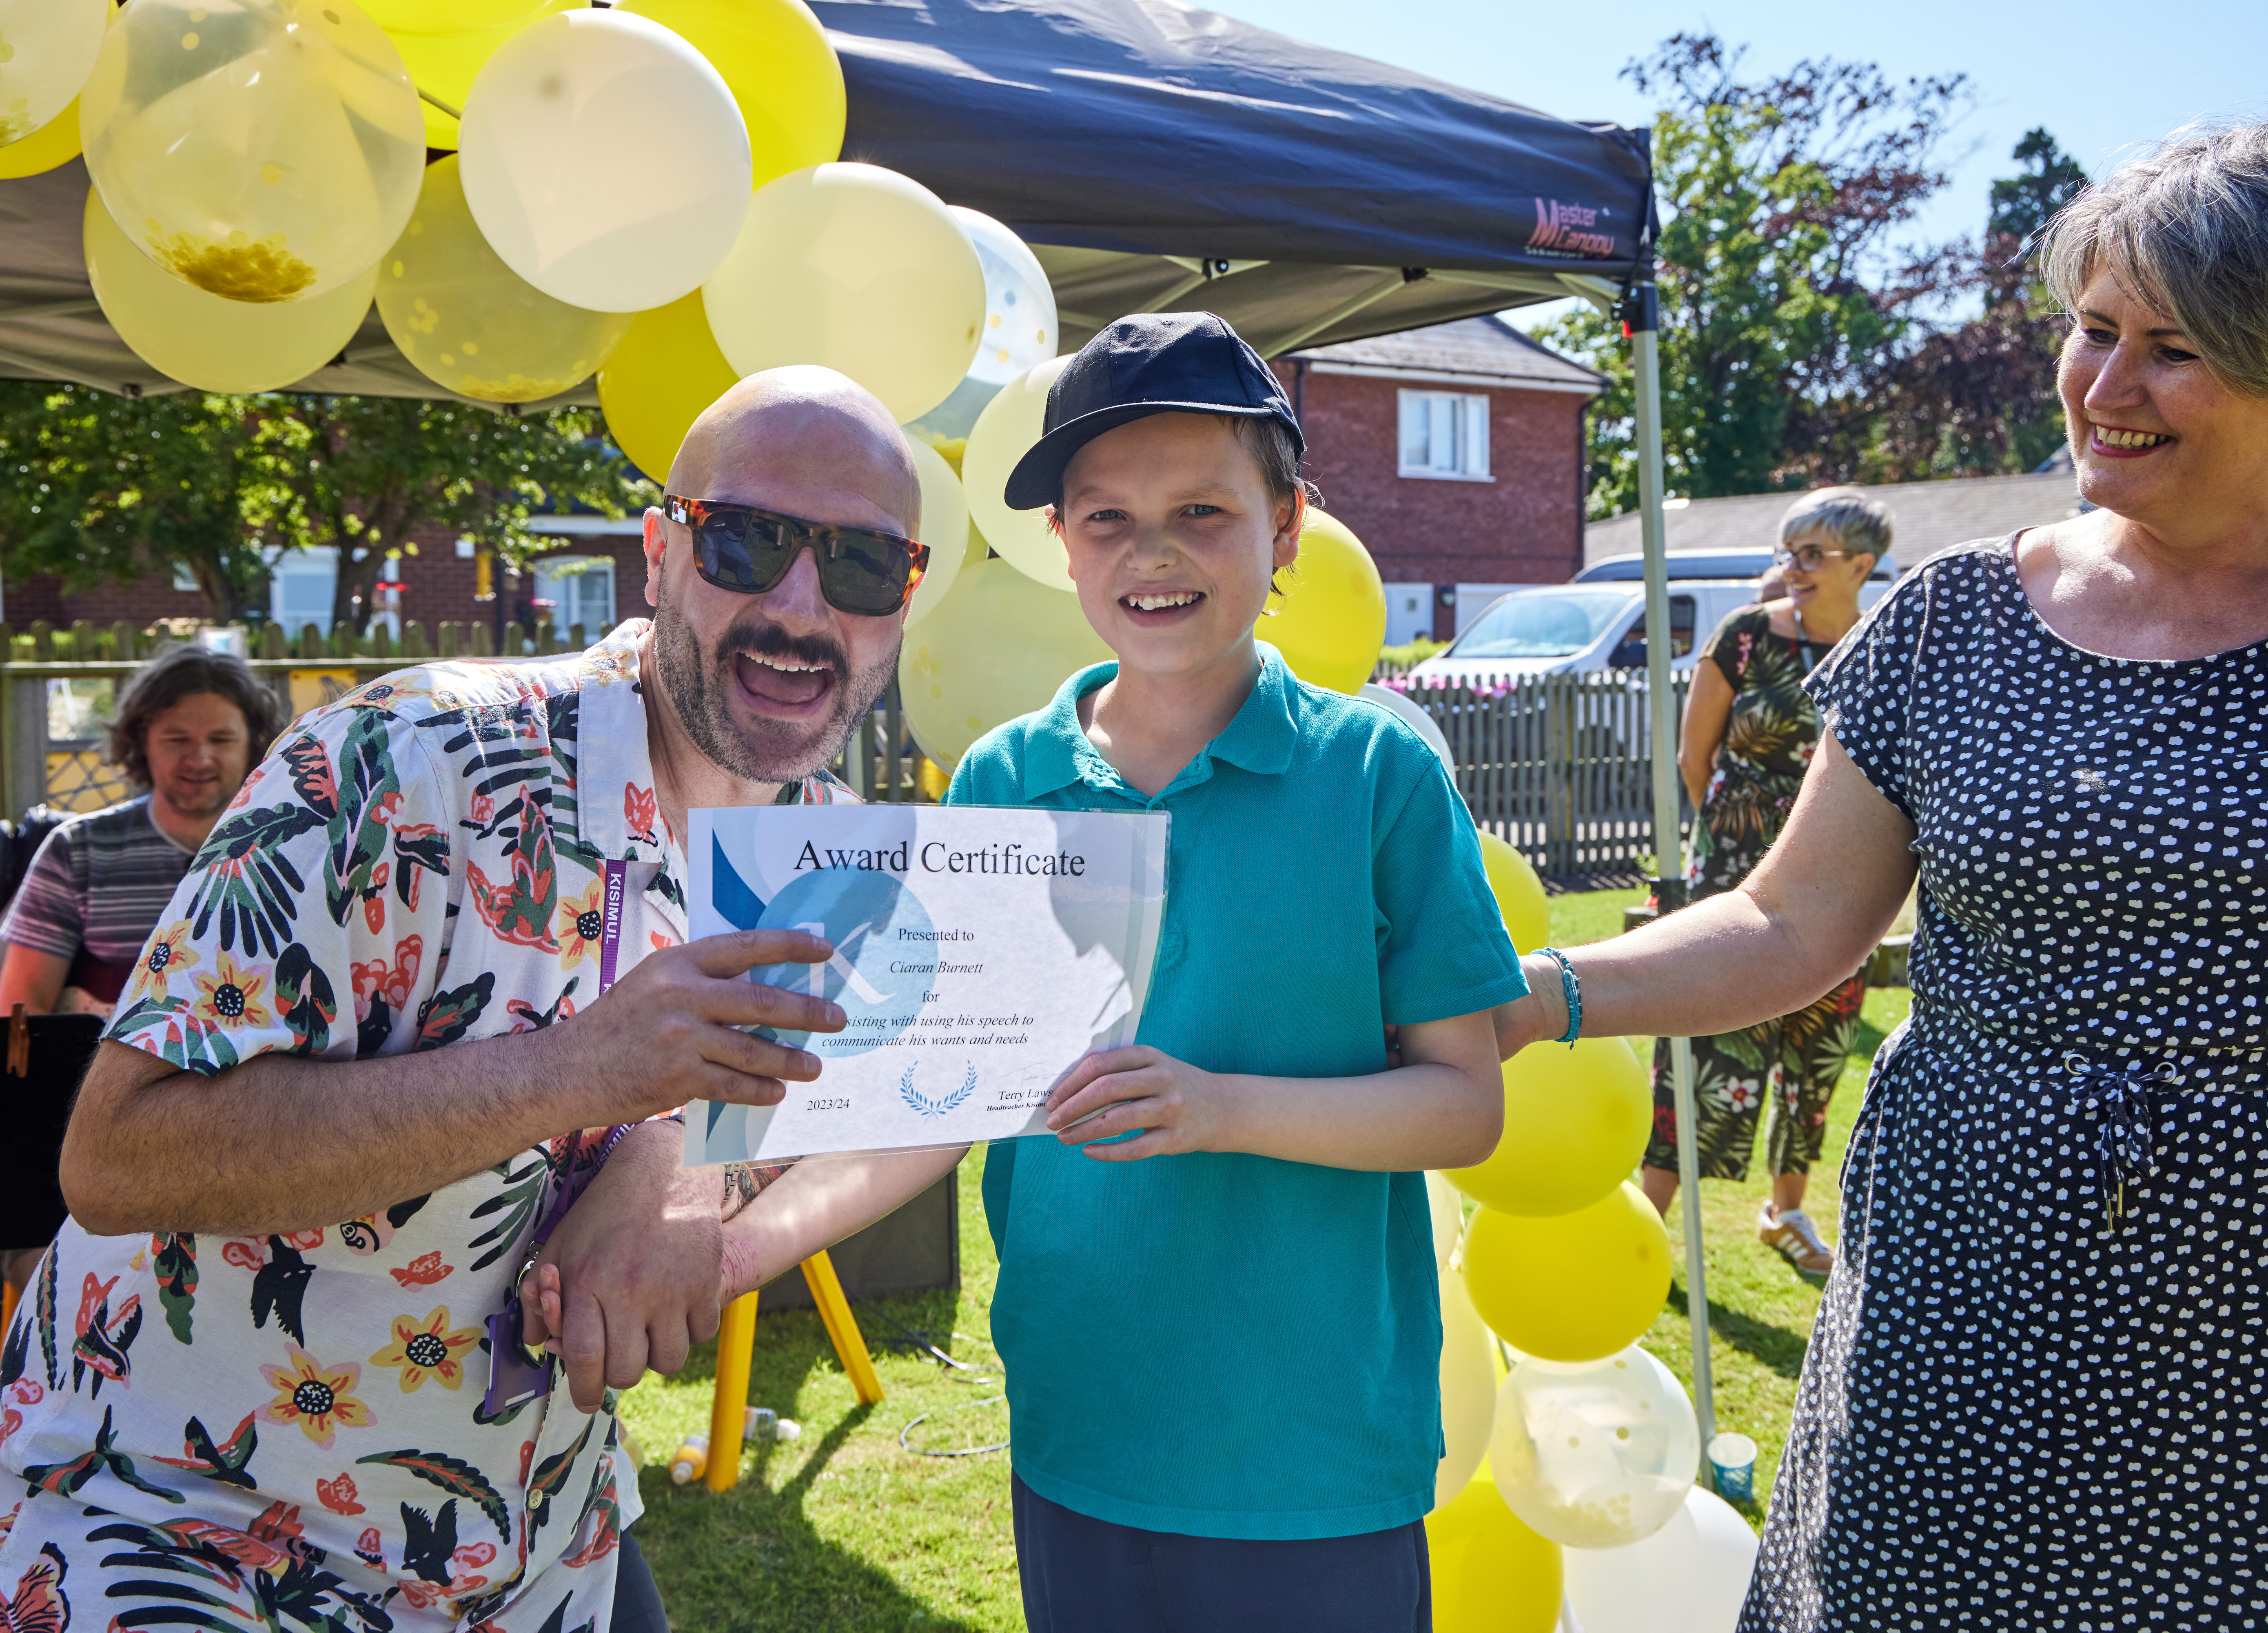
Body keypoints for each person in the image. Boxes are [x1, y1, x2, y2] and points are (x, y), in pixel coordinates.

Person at [0, 366, 926, 1633]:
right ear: (657, 552)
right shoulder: (403, 762)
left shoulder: (828, 854)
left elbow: (874, 1105)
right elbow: (118, 1154)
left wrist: (679, 1169)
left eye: (860, 567)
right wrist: (586, 1070)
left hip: (533, 1539)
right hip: (190, 1531)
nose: (799, 608)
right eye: (746, 540)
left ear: (903, 603)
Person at [1493, 124, 2268, 1628]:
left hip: (2226, 1299)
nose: (2103, 390)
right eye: (2090, 332)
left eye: (2168, 350)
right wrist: (1538, 991)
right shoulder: (1960, 618)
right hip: (1959, 1259)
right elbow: (1791, 917)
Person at [675, 313, 1520, 1633]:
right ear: (1062, 544)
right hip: (1083, 1427)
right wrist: (728, 1239)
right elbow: (930, 1093)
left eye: (1202, 510)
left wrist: (1222, 1106)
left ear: (1287, 527)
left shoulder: (1378, 777)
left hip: (1316, 1456)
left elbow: (1463, 1103)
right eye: (1108, 518)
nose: (1154, 551)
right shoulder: (1010, 777)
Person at [1645, 488, 1889, 1279]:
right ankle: (1644, 1221)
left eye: (1812, 555)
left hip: (1847, 887)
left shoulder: (1886, 648)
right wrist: (1736, 844)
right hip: (1732, 879)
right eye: (1788, 552)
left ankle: (1786, 1213)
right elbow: (1695, 757)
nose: (1794, 568)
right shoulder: (1746, 638)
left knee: (1817, 1056)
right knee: (1702, 1037)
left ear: (1864, 564)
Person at [0, 643, 282, 1020]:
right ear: (140, 741)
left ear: (255, 743)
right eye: (177, 740)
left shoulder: (297, 848)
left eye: (221, 739)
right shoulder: (76, 851)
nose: (199, 758)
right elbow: (18, 1015)